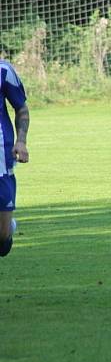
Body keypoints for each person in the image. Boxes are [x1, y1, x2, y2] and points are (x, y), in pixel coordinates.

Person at [0, 60, 30, 257]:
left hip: (2, 156)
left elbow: (22, 109)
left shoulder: (3, 70)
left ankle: (7, 228)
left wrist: (21, 141)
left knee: (2, 237)